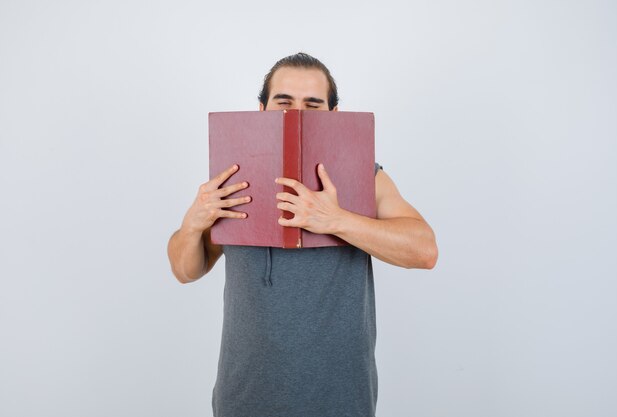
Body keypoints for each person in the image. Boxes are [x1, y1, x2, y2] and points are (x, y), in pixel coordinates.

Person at [167, 52, 438, 417]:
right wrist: (193, 223)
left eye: (312, 105)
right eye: (284, 102)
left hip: (340, 400)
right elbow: (186, 271)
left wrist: (335, 219)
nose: (296, 114)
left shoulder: (365, 175)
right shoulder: (232, 176)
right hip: (243, 399)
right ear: (261, 109)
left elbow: (424, 251)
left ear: (334, 115)